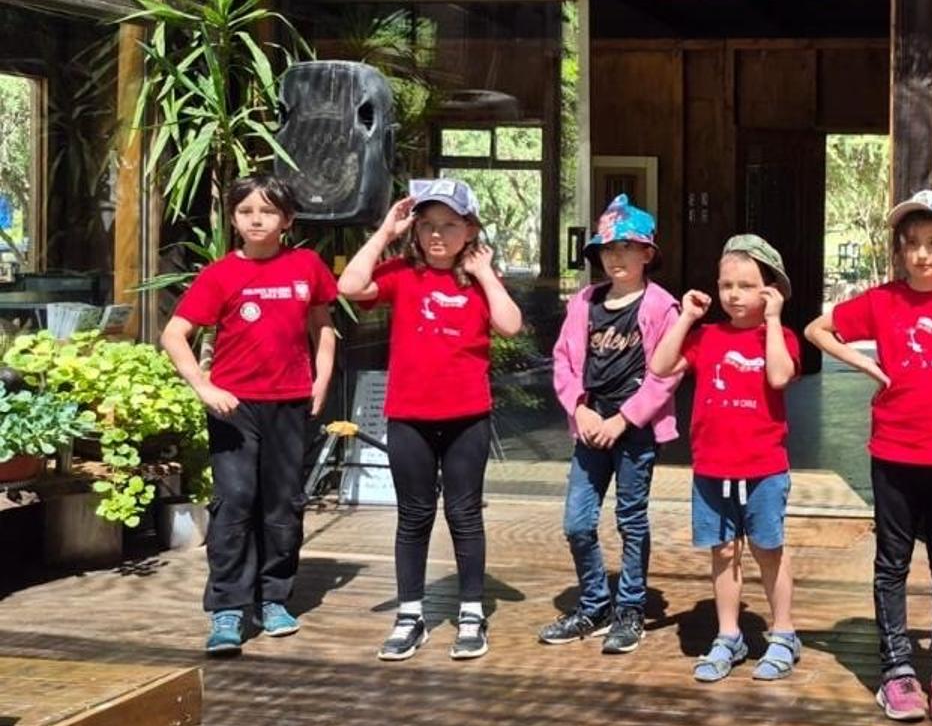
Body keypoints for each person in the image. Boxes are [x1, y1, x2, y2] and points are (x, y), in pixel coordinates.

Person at [804, 190, 932, 722]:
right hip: (893, 453)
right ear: (900, 250)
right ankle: (896, 669)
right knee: (891, 564)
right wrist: (867, 367)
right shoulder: (881, 301)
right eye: (913, 244)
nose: (922, 254)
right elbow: (816, 330)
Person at [337, 178, 523, 662]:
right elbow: (349, 286)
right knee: (413, 516)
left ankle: (470, 613)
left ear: (470, 230)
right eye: (428, 226)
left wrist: (484, 273)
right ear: (415, 230)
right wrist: (384, 232)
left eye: (450, 225)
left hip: (467, 417)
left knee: (464, 516)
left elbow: (509, 324)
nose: (438, 235)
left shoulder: (479, 280)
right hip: (409, 416)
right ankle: (411, 615)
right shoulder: (402, 273)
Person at [160, 174, 339, 656]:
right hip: (234, 407)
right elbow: (174, 335)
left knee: (282, 504)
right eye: (245, 211)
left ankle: (274, 597)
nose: (256, 219)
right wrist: (204, 387)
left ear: (287, 219)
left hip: (290, 402)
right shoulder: (220, 273)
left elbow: (323, 326)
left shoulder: (307, 265)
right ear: (234, 219)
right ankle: (227, 610)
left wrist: (321, 379)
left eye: (267, 211)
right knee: (235, 502)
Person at [649, 235, 802, 682]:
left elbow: (778, 376)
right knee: (722, 550)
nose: (734, 295)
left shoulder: (782, 337)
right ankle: (729, 633)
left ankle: (783, 632)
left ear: (769, 289)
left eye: (747, 285)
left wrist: (773, 320)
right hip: (712, 466)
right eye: (726, 284)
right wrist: (686, 318)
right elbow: (660, 367)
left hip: (763, 466)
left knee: (768, 549)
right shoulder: (707, 336)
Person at [538, 194, 683, 655]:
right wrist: (578, 408)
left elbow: (669, 371)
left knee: (631, 519)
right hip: (590, 423)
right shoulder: (585, 302)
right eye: (607, 249)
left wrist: (625, 418)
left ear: (647, 254)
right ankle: (595, 601)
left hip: (634, 429)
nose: (616, 257)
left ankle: (630, 609)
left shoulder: (662, 307)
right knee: (577, 521)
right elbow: (562, 359)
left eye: (626, 247)